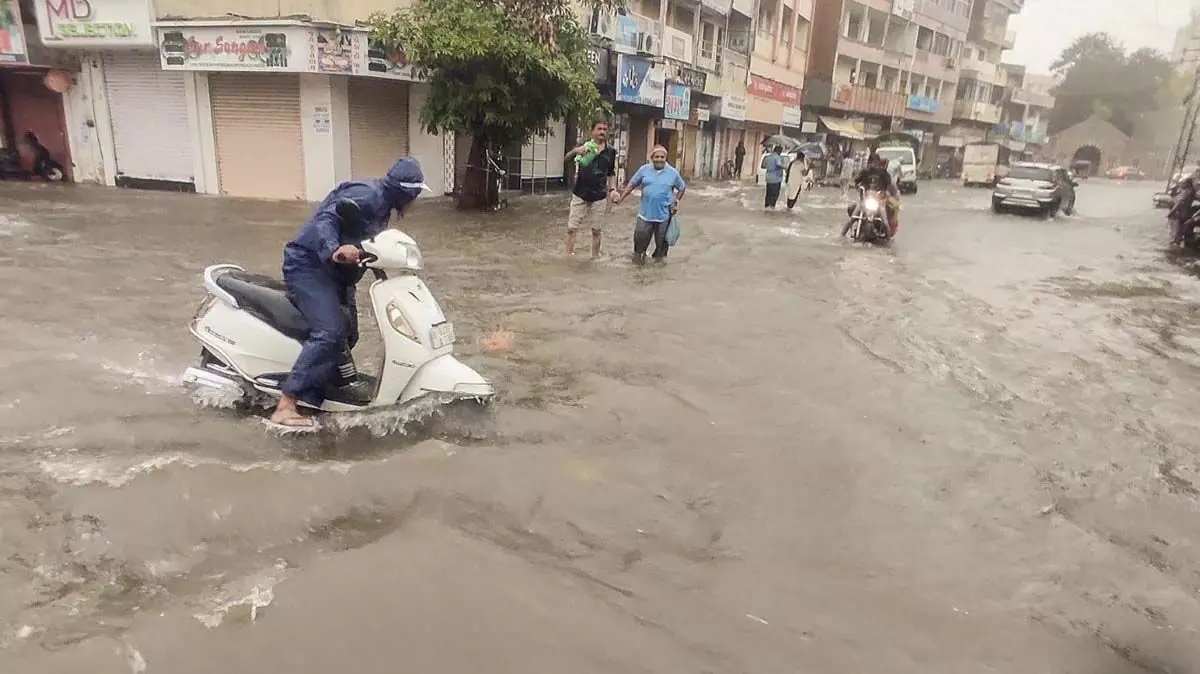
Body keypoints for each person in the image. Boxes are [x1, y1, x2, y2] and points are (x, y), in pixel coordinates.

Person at [269, 157, 430, 428]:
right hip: (309, 266)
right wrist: (333, 248)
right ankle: (286, 404)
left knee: (349, 335)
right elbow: (326, 218)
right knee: (330, 332)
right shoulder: (366, 195)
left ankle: (318, 392)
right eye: (414, 195)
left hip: (337, 274)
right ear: (405, 191)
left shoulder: (384, 209)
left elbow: (369, 244)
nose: (414, 202)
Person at [614, 145, 686, 265]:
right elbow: (632, 185)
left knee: (661, 252)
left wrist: (676, 201)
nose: (659, 159)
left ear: (666, 158)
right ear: (652, 158)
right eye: (656, 157)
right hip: (644, 216)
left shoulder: (673, 173)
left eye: (662, 157)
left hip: (664, 217)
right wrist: (621, 199)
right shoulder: (644, 170)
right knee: (638, 250)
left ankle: (657, 277)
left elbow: (682, 188)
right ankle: (639, 273)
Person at [564, 120, 618, 258]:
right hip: (580, 193)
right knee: (571, 228)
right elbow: (566, 159)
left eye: (605, 129)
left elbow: (611, 172)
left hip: (599, 195)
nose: (602, 132)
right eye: (599, 129)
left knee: (596, 230)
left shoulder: (610, 151)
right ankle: (568, 256)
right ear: (592, 130)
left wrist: (613, 190)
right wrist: (576, 151)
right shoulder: (583, 146)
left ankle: (595, 258)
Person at [841, 153, 898, 238]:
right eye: (871, 162)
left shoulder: (883, 173)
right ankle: (841, 236)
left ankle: (888, 241)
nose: (872, 164)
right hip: (865, 200)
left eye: (874, 162)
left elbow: (889, 184)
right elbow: (856, 181)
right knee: (852, 218)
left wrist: (886, 192)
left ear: (878, 163)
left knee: (885, 223)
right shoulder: (865, 172)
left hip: (879, 202)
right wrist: (857, 187)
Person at [1169, 166, 1200, 245]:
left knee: (1176, 234)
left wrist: (1171, 212)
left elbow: (1179, 203)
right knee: (1179, 233)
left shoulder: (1187, 192)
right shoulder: (1191, 192)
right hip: (1184, 215)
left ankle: (1175, 246)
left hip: (1179, 214)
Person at [763, 145, 785, 209]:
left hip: (768, 178)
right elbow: (778, 164)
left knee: (768, 194)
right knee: (774, 195)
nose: (780, 153)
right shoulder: (777, 157)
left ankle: (766, 207)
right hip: (776, 179)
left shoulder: (768, 157)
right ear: (778, 151)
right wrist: (784, 167)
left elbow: (763, 165)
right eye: (780, 151)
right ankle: (772, 207)